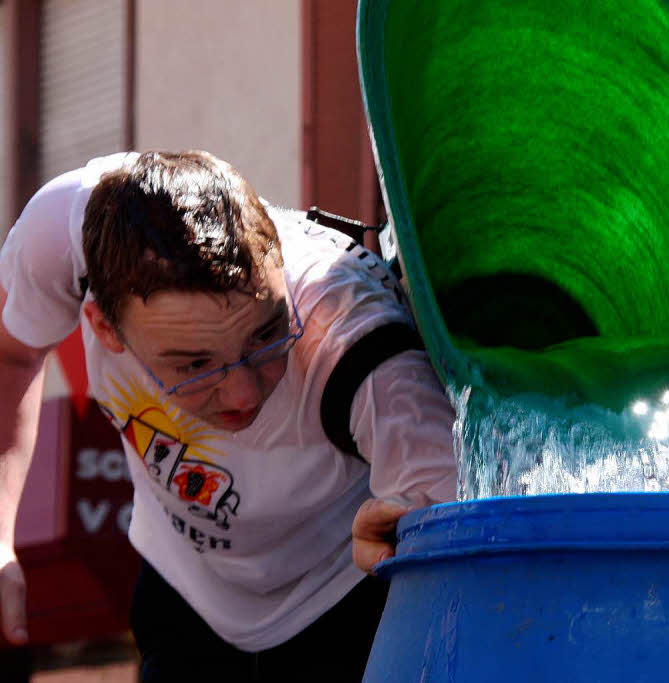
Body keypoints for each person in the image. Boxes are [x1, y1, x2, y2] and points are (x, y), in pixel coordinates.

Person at [0, 151, 457, 680]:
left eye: (266, 335)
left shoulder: (357, 346)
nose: (241, 393)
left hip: (341, 591)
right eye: (195, 364)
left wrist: (416, 532)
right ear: (104, 328)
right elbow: (13, 353)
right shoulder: (65, 233)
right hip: (186, 591)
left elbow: (469, 548)